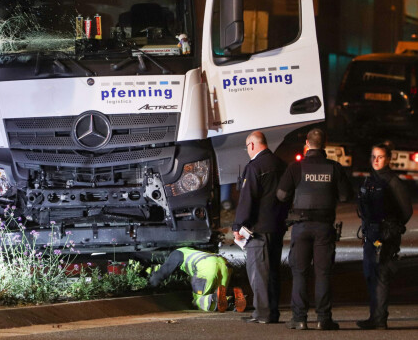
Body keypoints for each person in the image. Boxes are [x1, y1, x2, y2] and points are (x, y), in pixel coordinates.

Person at [277, 128, 350, 330]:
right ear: (324, 144)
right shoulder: (334, 168)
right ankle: (323, 319)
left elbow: (281, 195)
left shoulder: (295, 168)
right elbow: (345, 196)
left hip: (301, 227)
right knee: (323, 273)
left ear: (307, 144)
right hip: (325, 228)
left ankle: (299, 319)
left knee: (300, 273)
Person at [232, 131, 288, 324]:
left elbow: (248, 199)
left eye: (247, 147)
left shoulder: (255, 167)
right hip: (277, 227)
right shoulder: (281, 164)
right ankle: (272, 312)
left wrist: (238, 225)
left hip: (258, 229)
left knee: (258, 272)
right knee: (273, 271)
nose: (247, 150)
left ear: (253, 145)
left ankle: (262, 313)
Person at [356, 143, 413, 330]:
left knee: (381, 276)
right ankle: (375, 316)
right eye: (373, 156)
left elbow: (406, 210)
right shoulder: (370, 180)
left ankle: (379, 319)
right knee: (371, 275)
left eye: (380, 157)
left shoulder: (393, 182)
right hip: (372, 234)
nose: (376, 160)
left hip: (386, 236)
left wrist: (392, 227)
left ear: (388, 159)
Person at [148, 247, 246, 313]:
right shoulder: (191, 251)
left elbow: (163, 272)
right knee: (221, 294)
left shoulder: (176, 254)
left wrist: (151, 286)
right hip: (225, 265)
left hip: (207, 267)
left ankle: (214, 298)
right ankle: (231, 301)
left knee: (199, 300)